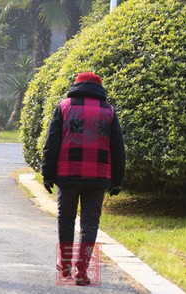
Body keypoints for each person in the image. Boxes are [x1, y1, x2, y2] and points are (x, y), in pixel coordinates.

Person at [41, 72, 126, 285]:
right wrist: (117, 179)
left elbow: (52, 142)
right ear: (99, 88)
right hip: (98, 176)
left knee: (66, 217)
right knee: (89, 222)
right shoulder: (108, 110)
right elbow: (117, 148)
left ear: (76, 86)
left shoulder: (64, 107)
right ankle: (82, 271)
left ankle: (66, 266)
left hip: (67, 173)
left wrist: (47, 173)